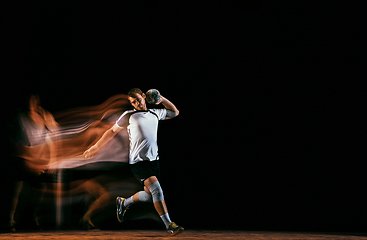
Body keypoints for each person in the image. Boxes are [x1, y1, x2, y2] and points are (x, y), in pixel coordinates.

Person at [84, 88, 184, 236]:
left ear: (144, 96)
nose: (136, 103)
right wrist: (96, 146)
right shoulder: (129, 115)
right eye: (133, 102)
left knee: (150, 195)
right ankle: (170, 225)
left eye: (138, 99)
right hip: (138, 162)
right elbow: (111, 131)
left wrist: (161, 99)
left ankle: (124, 203)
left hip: (154, 161)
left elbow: (175, 112)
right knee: (157, 190)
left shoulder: (155, 113)